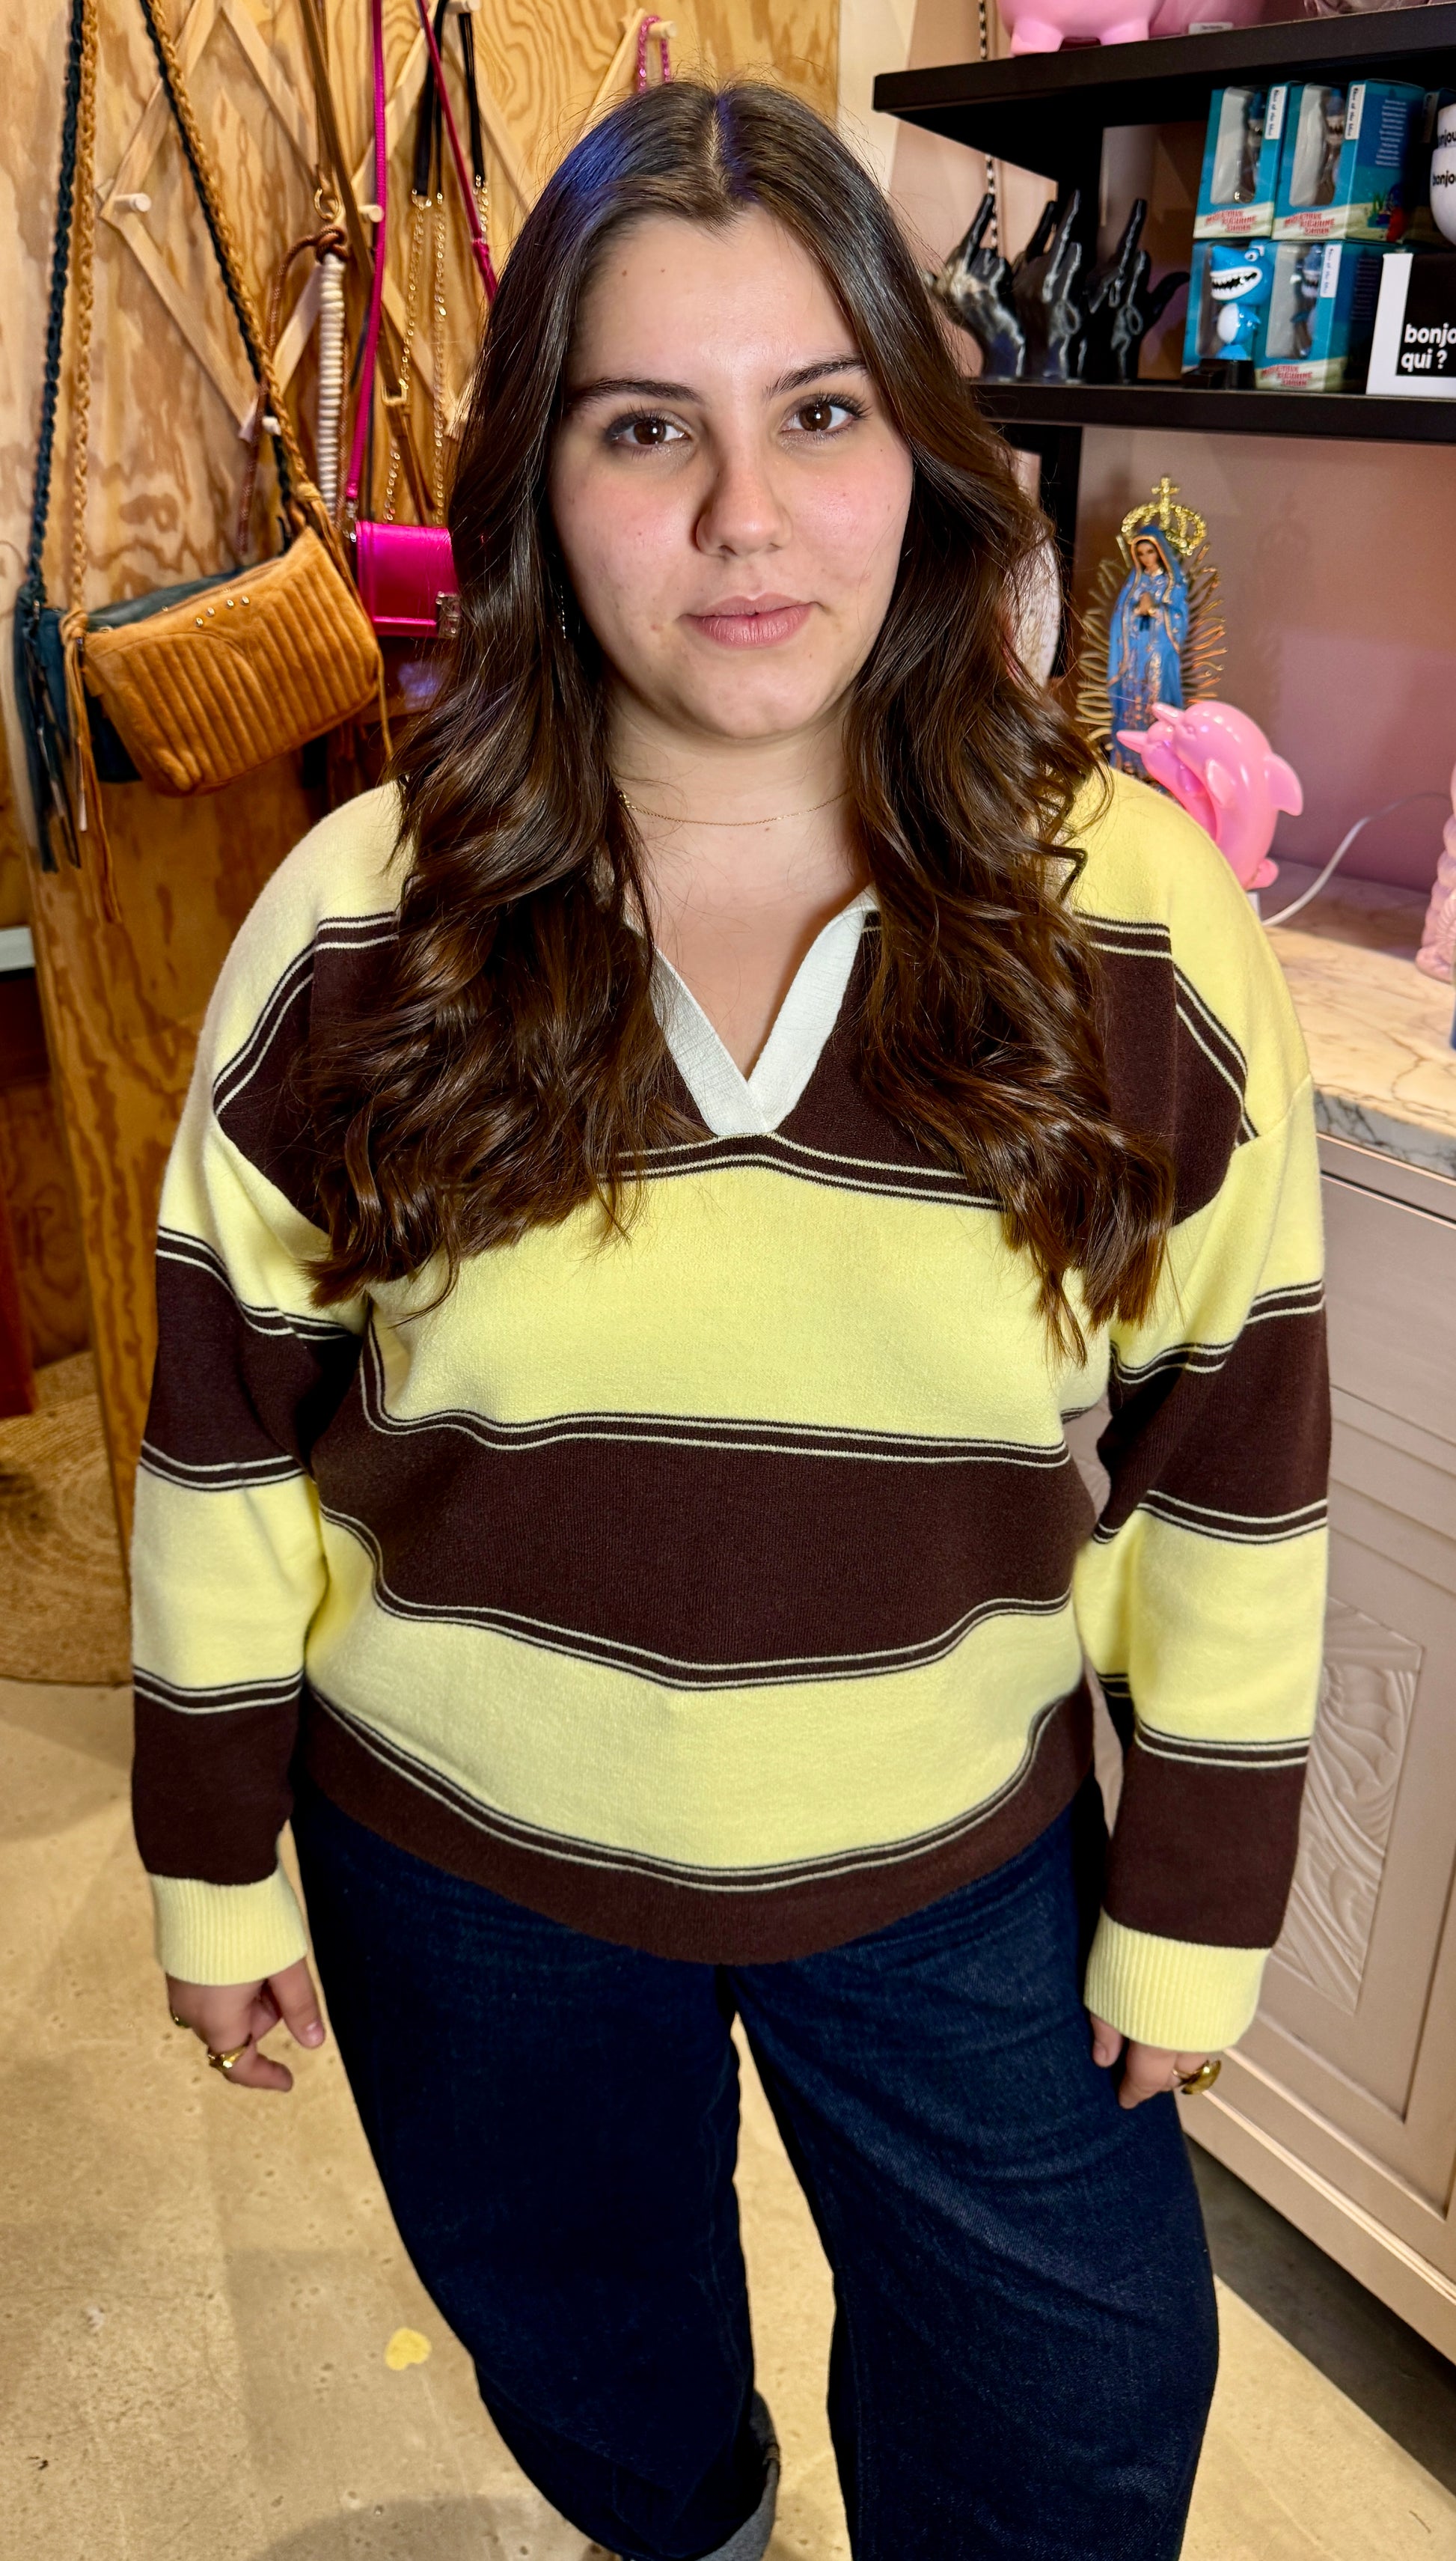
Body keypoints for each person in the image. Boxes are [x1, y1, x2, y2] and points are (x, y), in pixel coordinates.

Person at [134, 79, 1329, 2561]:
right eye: (644, 428)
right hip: (464, 1856)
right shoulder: (357, 925)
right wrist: (214, 1859)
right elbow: (229, 1436)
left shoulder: (1130, 923)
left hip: (956, 1852)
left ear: (923, 455)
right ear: (533, 487)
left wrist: (1200, 1891)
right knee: (592, 2352)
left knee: (1074, 2402)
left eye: (819, 413)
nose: (744, 518)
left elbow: (1227, 1446)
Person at [1106, 525, 1189, 765]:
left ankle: (1158, 764)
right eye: (1141, 554)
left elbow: (1179, 618)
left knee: (1156, 704)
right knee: (1131, 702)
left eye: (1150, 552)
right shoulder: (1135, 583)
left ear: (1160, 552)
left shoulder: (1172, 584)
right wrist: (1135, 611)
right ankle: (1129, 761)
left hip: (1158, 654)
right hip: (1134, 655)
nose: (1146, 558)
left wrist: (1155, 610)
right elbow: (1120, 616)